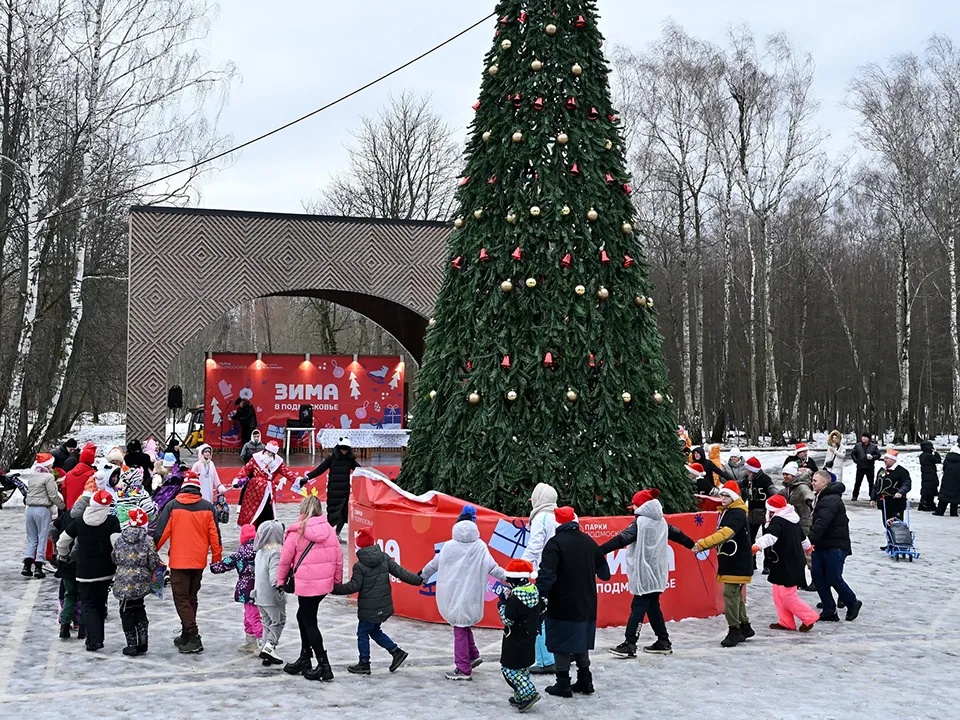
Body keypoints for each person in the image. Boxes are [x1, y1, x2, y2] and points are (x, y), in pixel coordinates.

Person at [602, 489, 694, 658]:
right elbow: (679, 535)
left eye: (634, 504)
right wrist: (692, 545)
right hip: (658, 572)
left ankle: (630, 644)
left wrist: (599, 551)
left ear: (641, 506)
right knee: (653, 607)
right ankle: (663, 641)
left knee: (638, 608)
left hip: (644, 573)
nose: (633, 508)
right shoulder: (662, 521)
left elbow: (621, 539)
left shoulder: (640, 523)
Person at [419, 505, 507, 681]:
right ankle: (473, 655)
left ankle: (463, 668)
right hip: (472, 594)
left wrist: (422, 576)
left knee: (459, 627)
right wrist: (511, 579)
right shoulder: (480, 546)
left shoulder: (449, 546)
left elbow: (433, 564)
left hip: (452, 592)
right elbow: (493, 568)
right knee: (463, 623)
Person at [537, 506, 610, 698]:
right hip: (587, 603)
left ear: (557, 524)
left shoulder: (555, 544)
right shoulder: (588, 541)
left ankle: (563, 683)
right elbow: (605, 574)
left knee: (561, 641)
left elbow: (547, 576)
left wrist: (538, 596)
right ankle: (585, 680)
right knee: (580, 640)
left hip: (562, 603)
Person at [333, 526, 422, 675]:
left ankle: (364, 663)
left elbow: (353, 586)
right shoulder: (384, 557)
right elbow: (401, 572)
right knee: (374, 631)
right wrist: (418, 580)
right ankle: (396, 652)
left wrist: (334, 588)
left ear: (359, 545)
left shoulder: (360, 566)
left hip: (369, 608)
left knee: (363, 633)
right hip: (383, 605)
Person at [153, 473, 223, 654]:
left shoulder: (172, 506)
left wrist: (151, 553)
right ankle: (186, 632)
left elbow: (160, 533)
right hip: (199, 561)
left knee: (181, 599)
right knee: (191, 598)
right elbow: (215, 536)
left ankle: (193, 635)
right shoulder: (208, 507)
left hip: (179, 561)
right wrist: (216, 559)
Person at [278, 495, 343, 682]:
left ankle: (324, 665)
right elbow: (338, 557)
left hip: (306, 583)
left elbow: (285, 560)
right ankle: (305, 658)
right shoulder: (329, 530)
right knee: (303, 616)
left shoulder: (297, 531)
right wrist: (336, 581)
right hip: (323, 584)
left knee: (308, 620)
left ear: (303, 509)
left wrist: (281, 581)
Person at [56, 489, 121, 652]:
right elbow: (116, 543)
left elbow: (62, 541)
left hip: (84, 571)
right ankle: (98, 638)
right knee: (100, 603)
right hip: (106, 571)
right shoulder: (112, 521)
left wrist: (64, 556)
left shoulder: (80, 521)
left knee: (87, 604)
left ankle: (93, 640)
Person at [693, 481, 755, 648]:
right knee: (735, 594)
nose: (723, 498)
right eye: (721, 495)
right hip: (732, 559)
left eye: (726, 495)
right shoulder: (729, 511)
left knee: (730, 594)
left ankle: (734, 630)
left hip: (737, 561)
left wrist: (703, 544)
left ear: (734, 497)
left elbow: (725, 534)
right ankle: (745, 626)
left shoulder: (737, 513)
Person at [751, 494, 818, 632]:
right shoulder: (792, 519)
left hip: (790, 563)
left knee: (787, 595)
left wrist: (757, 545)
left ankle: (809, 617)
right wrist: (808, 547)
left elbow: (771, 537)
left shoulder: (778, 521)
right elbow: (803, 538)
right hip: (782, 562)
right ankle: (786, 622)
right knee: (778, 594)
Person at [807, 470, 861, 622]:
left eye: (815, 480)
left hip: (835, 545)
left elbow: (821, 523)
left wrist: (808, 541)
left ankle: (852, 602)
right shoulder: (822, 496)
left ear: (824, 483)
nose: (812, 483)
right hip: (822, 544)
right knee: (817, 576)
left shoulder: (830, 499)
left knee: (832, 577)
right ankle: (829, 609)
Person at [112, 507, 160, 656]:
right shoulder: (148, 540)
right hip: (141, 581)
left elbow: (114, 557)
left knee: (126, 611)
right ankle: (143, 640)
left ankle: (131, 644)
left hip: (123, 580)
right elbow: (153, 561)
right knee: (139, 607)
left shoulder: (120, 539)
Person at [497, 558, 544, 713]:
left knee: (509, 669)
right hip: (529, 637)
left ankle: (529, 693)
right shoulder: (534, 591)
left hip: (515, 639)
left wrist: (502, 604)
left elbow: (507, 619)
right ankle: (520, 696)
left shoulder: (516, 598)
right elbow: (541, 609)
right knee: (522, 668)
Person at [520, 482, 558, 674]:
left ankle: (545, 660)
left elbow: (535, 546)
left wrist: (521, 568)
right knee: (557, 615)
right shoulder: (560, 516)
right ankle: (563, 654)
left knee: (539, 615)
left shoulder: (541, 518)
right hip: (562, 574)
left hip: (544, 573)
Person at [211, 524, 263, 656]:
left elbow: (224, 565)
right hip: (262, 588)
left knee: (252, 616)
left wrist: (213, 566)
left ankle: (263, 643)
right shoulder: (262, 552)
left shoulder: (240, 555)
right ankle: (251, 642)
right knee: (250, 615)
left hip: (246, 590)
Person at [234, 441, 299, 528]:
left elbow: (287, 473)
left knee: (267, 511)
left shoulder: (278, 462)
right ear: (265, 450)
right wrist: (237, 480)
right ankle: (250, 531)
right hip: (254, 491)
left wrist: (298, 480)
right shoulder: (256, 458)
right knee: (252, 512)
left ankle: (266, 529)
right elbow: (245, 469)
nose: (270, 455)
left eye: (272, 454)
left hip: (268, 491)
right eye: (268, 452)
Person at [302, 438, 360, 536]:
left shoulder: (350, 460)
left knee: (343, 514)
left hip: (344, 491)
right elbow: (320, 470)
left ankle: (337, 534)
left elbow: (359, 470)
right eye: (342, 449)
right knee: (333, 514)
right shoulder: (332, 458)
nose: (344, 452)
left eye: (346, 450)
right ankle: (327, 533)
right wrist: (307, 477)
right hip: (333, 491)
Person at [22, 453, 66, 579]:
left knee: (32, 539)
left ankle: (26, 565)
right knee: (42, 538)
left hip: (30, 509)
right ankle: (38, 566)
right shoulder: (48, 477)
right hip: (42, 510)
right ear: (48, 464)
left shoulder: (33, 476)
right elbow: (53, 495)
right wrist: (63, 506)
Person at [253, 520, 288, 667]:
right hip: (272, 597)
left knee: (267, 623)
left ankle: (265, 649)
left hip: (259, 595)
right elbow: (275, 575)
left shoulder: (260, 552)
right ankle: (269, 646)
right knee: (278, 621)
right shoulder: (276, 553)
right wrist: (280, 585)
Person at [742, 457, 776, 572]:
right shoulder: (748, 480)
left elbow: (772, 490)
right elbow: (740, 485)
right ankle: (752, 563)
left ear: (753, 471)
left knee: (766, 539)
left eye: (748, 470)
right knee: (750, 539)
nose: (747, 472)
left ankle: (767, 565)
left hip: (764, 513)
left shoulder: (765, 479)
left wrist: (776, 499)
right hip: (752, 513)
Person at [114, 468, 158, 534]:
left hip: (122, 527)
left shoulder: (122, 492)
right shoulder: (142, 493)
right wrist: (155, 507)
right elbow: (149, 511)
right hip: (135, 528)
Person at [874, 448, 911, 522]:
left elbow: (906, 484)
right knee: (886, 523)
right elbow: (876, 485)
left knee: (896, 524)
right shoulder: (882, 470)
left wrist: (900, 492)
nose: (885, 460)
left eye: (887, 458)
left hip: (896, 502)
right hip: (884, 502)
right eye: (884, 458)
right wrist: (873, 498)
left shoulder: (901, 471)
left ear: (893, 460)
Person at [62, 443, 97, 509]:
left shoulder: (69, 474)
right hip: (85, 509)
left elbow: (64, 491)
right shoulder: (93, 475)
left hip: (70, 507)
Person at [850, 433, 879, 501]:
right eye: (862, 437)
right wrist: (856, 460)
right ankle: (855, 495)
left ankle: (872, 496)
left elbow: (878, 455)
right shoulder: (857, 446)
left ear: (868, 439)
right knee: (858, 482)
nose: (863, 438)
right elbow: (853, 454)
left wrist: (872, 457)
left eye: (865, 437)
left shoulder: (873, 446)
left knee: (871, 482)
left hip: (870, 467)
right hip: (860, 467)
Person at [934, 445, 960, 517]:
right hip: (957, 480)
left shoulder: (947, 458)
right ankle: (953, 512)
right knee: (955, 496)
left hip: (947, 479)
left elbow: (944, 468)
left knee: (944, 496)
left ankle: (940, 511)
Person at [918, 439, 942, 512]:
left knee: (926, 490)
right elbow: (938, 460)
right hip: (931, 475)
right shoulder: (929, 456)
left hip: (925, 475)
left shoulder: (922, 456)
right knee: (930, 490)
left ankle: (924, 504)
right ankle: (929, 504)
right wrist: (936, 452)